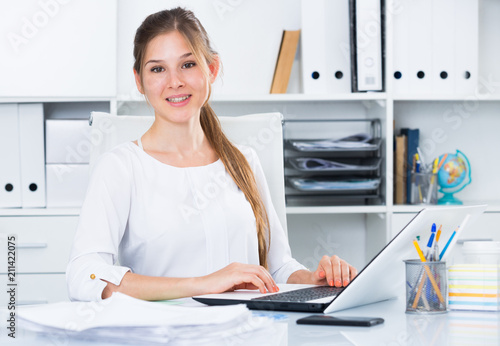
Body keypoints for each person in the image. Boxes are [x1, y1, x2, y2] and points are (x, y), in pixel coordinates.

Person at [66, 7, 357, 302]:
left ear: (212, 69)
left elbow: (279, 266)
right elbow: (84, 274)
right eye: (157, 69)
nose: (175, 81)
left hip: (247, 331)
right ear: (139, 81)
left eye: (188, 64)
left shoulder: (245, 161)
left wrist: (314, 279)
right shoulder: (121, 167)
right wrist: (204, 284)